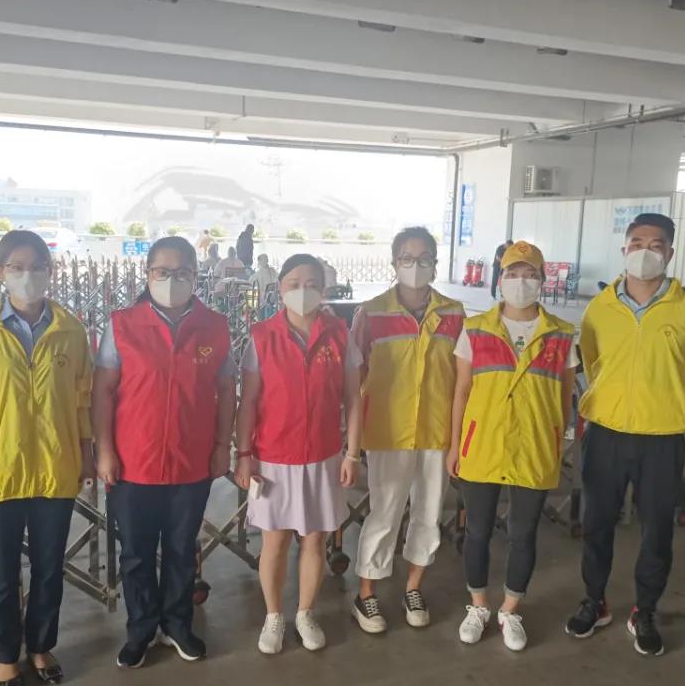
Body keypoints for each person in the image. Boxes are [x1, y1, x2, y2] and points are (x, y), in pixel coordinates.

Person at [0, 229, 94, 686]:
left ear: (51, 272)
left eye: (36, 267)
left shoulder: (70, 331)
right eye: (16, 266)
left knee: (50, 567)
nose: (27, 275)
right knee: (0, 572)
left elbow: (83, 401)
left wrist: (86, 455)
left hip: (55, 467)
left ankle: (41, 647)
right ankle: (5, 656)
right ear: (0, 272)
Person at [565, 213, 685, 657]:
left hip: (662, 439)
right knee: (597, 524)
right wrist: (610, 404)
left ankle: (645, 610)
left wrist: (673, 413)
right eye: (636, 243)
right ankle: (594, 601)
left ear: (670, 252)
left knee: (657, 530)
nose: (645, 252)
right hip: (606, 435)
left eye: (655, 244)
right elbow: (592, 362)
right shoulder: (600, 308)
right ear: (624, 249)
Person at [92, 236, 236, 668]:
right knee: (136, 553)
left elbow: (227, 390)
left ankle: (177, 624)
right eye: (162, 271)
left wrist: (222, 446)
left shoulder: (215, 326)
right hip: (133, 461)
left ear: (196, 275)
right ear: (148, 273)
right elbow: (103, 391)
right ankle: (141, 629)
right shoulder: (122, 325)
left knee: (181, 549)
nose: (172, 280)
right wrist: (104, 450)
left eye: (182, 272)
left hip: (192, 460)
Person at [447, 242, 577, 650]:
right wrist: (455, 445)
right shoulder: (475, 328)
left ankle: (510, 609)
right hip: (481, 446)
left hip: (535, 447)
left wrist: (557, 440)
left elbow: (565, 396)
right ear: (500, 279)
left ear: (543, 280)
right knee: (477, 531)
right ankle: (478, 606)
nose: (522, 282)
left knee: (523, 534)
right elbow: (461, 390)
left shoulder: (562, 334)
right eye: (513, 273)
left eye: (531, 274)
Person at [234, 254, 363, 654]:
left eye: (311, 284)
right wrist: (243, 452)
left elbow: (353, 399)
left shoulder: (340, 335)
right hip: (274, 456)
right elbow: (248, 401)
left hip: (323, 455)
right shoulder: (261, 336)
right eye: (293, 284)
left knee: (314, 539)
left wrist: (352, 454)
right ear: (280, 289)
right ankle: (274, 615)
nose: (302, 291)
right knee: (275, 541)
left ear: (324, 290)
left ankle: (306, 612)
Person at [350, 226, 465, 633]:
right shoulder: (372, 313)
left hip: (436, 429)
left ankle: (413, 588)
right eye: (407, 258)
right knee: (385, 513)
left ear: (435, 262)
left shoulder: (454, 314)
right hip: (388, 430)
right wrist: (351, 439)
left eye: (424, 258)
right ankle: (366, 593)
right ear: (394, 262)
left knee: (429, 513)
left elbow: (462, 377)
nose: (415, 265)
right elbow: (353, 376)